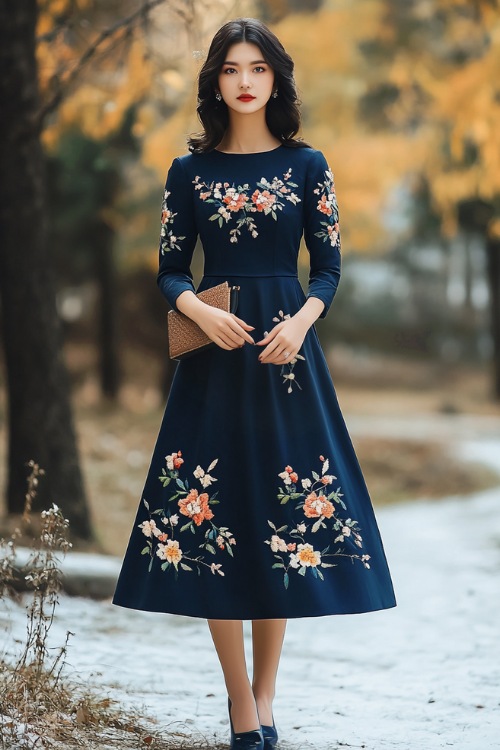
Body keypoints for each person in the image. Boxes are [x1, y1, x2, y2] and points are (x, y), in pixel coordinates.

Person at [112, 16, 397, 750]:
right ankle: (241, 701)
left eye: (258, 68)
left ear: (276, 79)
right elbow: (170, 267)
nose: (245, 80)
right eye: (232, 68)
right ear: (214, 80)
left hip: (287, 361)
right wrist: (196, 313)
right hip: (214, 359)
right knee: (213, 522)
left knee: (281, 524)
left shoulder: (310, 166)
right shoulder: (189, 173)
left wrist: (302, 323)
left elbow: (329, 268)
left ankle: (268, 693)